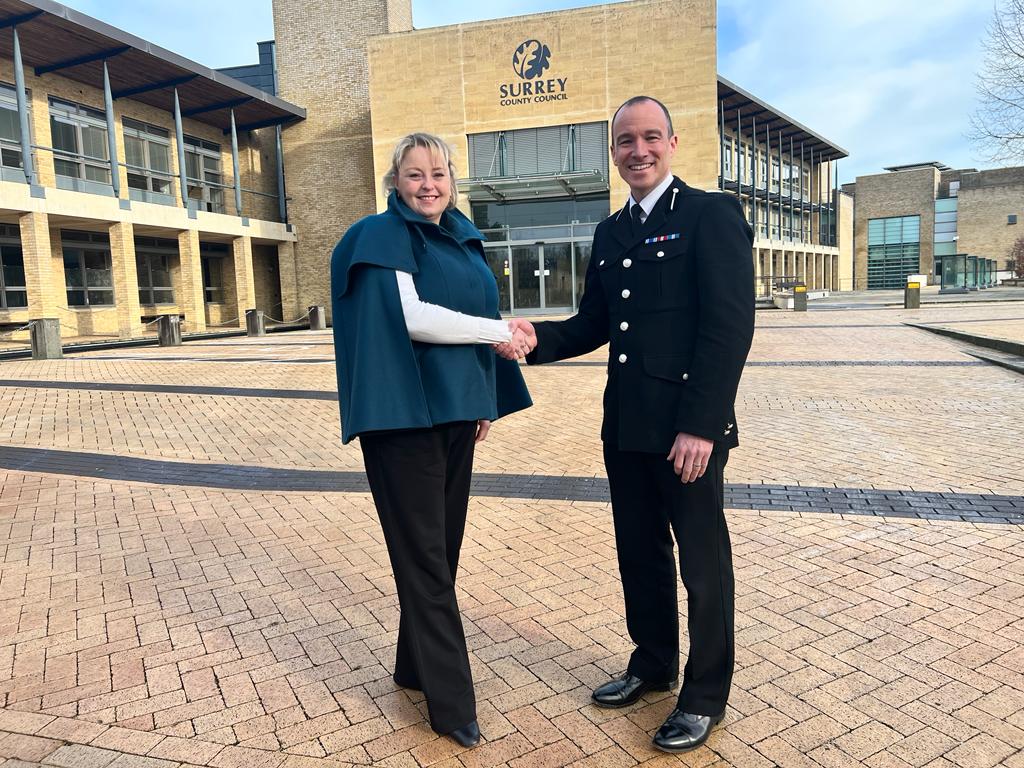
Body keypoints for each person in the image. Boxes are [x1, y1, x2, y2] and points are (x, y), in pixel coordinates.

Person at [505, 96, 754, 753]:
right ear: (613, 152)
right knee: (639, 554)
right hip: (627, 428)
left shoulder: (709, 215)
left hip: (687, 432)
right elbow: (593, 322)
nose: (636, 150)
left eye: (649, 138)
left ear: (672, 142)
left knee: (703, 565)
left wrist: (702, 424)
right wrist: (537, 338)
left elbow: (728, 328)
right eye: (624, 141)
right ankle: (652, 664)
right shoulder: (611, 231)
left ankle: (703, 695)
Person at [330, 132, 532, 747]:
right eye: (414, 174)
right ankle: (451, 703)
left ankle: (412, 667)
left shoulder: (461, 238)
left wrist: (481, 398)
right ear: (396, 181)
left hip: (452, 416)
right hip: (401, 422)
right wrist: (497, 330)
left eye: (438, 174)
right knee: (424, 558)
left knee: (438, 552)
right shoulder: (379, 235)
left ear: (452, 179)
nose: (428, 185)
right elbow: (412, 317)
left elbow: (467, 318)